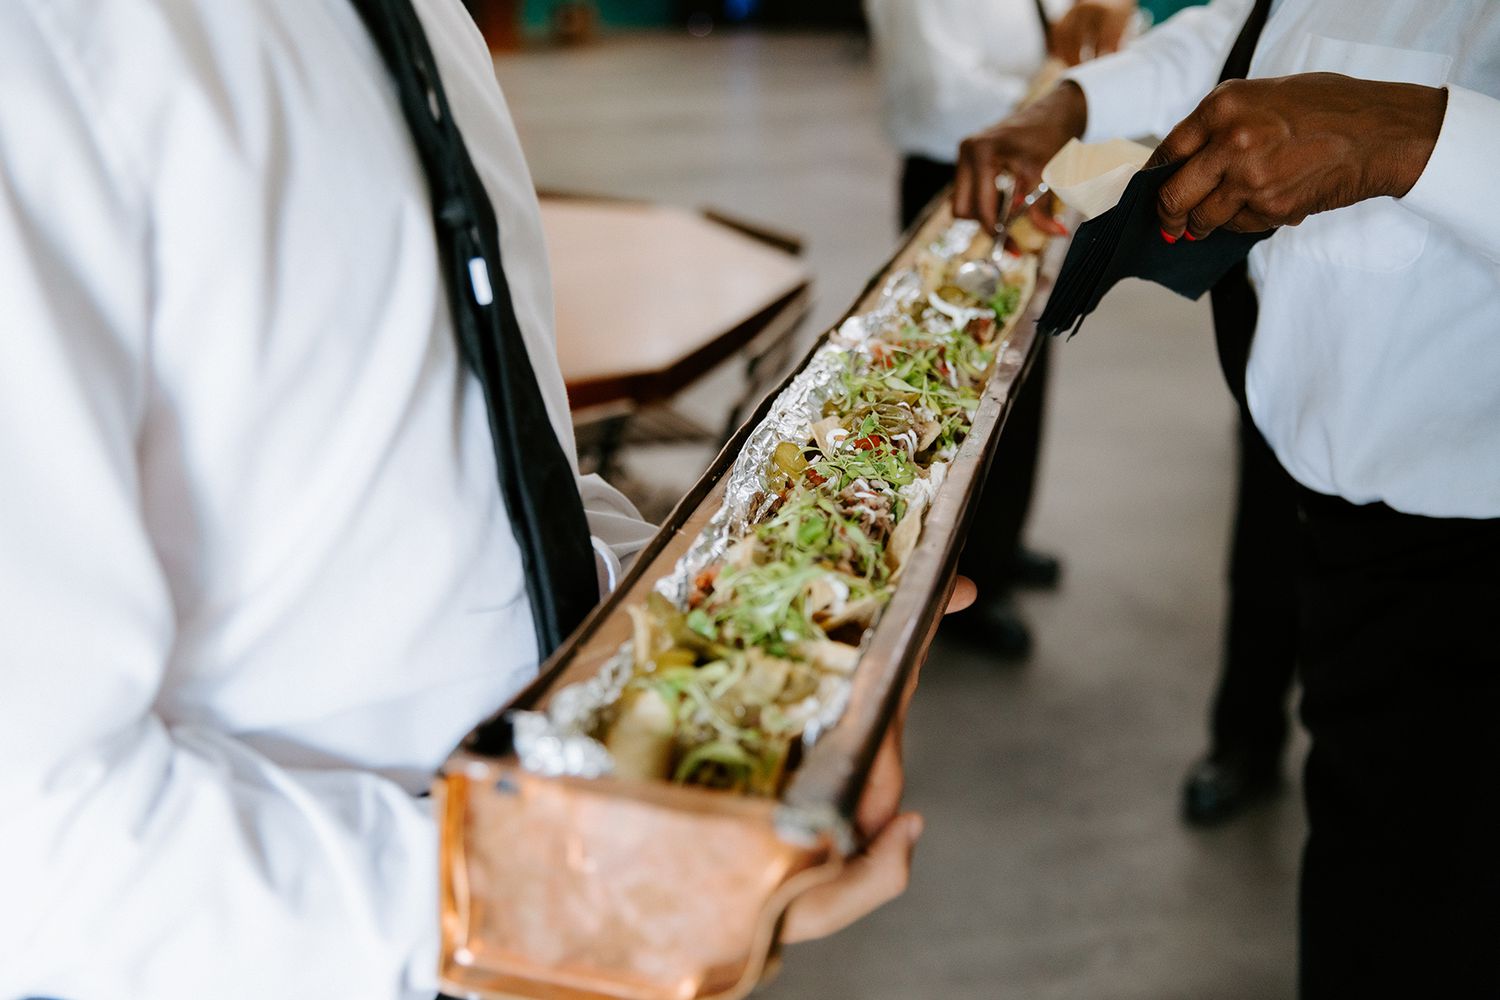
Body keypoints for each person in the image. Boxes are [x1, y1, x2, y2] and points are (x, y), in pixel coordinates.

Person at [0, 2, 929, 997]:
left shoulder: (428, 19)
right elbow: (35, 852)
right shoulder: (46, 50)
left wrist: (746, 605)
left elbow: (479, 476)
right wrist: (565, 891)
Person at [954, 0, 1500, 994]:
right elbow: (1249, 34)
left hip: (1477, 569)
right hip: (1334, 534)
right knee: (1362, 915)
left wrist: (1410, 135)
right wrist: (1071, 104)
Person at [864, 0, 1140, 657]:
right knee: (960, 376)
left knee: (1022, 361)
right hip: (965, 168)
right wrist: (1068, 109)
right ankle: (958, 577)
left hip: (1040, 157)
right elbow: (940, 90)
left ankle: (1000, 542)